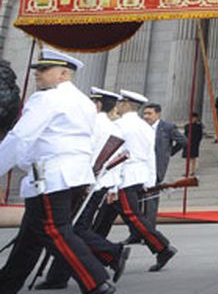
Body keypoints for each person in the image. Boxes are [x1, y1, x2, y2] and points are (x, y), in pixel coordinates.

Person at [0, 49, 115, 294]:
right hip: (73, 175)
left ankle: (96, 281)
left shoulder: (46, 99)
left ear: (63, 74)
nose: (37, 75)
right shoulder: (84, 102)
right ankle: (7, 283)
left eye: (43, 70)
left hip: (51, 176)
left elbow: (21, 136)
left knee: (54, 230)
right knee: (29, 237)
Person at [37, 88, 131, 290]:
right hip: (98, 183)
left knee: (72, 229)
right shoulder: (112, 126)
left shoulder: (94, 123)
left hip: (85, 182)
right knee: (72, 229)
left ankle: (113, 252)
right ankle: (59, 276)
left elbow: (84, 153)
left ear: (96, 105)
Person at [104, 90, 177, 272]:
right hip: (139, 174)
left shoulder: (120, 125)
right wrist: (150, 180)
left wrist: (112, 185)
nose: (118, 105)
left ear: (125, 104)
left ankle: (162, 247)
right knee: (108, 217)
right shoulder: (145, 126)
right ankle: (99, 252)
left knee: (132, 215)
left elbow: (117, 155)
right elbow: (151, 155)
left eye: (120, 102)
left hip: (125, 176)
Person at [138, 103, 185, 233]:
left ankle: (149, 231)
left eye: (149, 114)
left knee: (151, 200)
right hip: (141, 167)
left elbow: (183, 141)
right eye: (145, 114)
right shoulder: (140, 127)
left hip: (157, 167)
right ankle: (137, 232)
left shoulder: (167, 128)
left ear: (158, 114)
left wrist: (168, 153)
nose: (146, 116)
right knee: (137, 201)